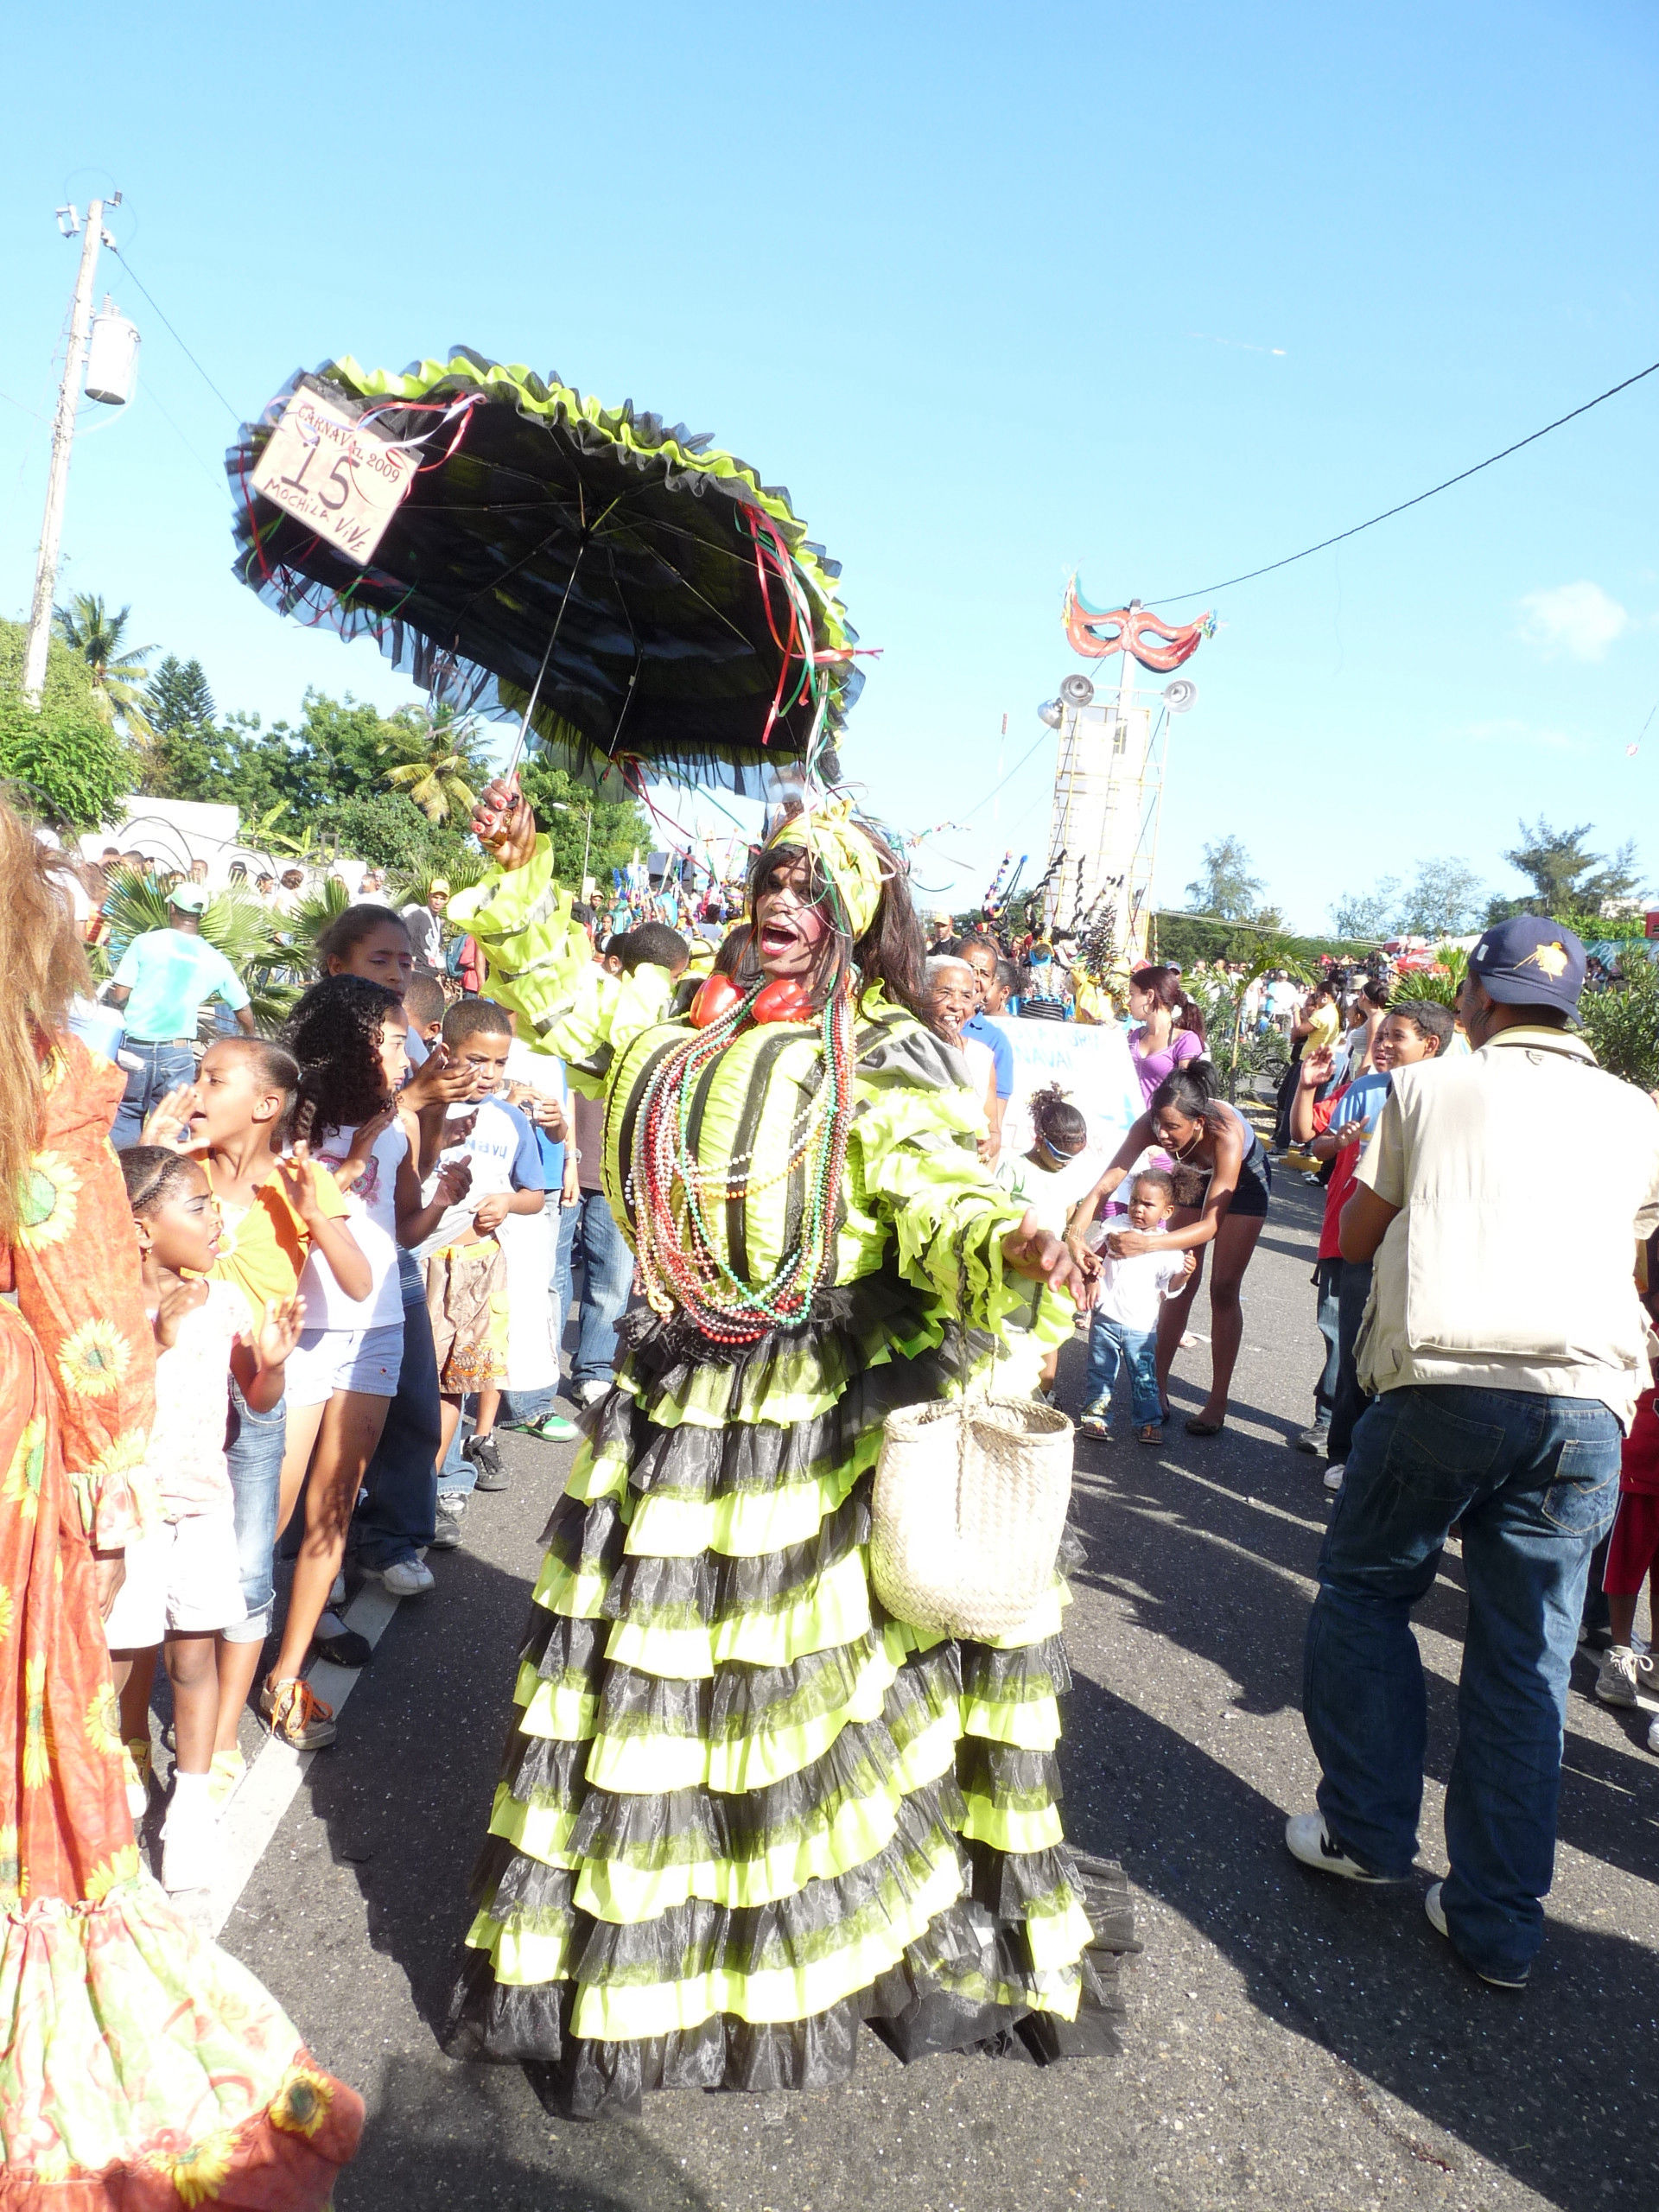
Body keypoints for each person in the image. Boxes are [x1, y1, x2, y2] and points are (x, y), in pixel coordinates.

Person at [440, 777, 1124, 2116]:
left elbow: (933, 1192)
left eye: (817, 892)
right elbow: (574, 1006)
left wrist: (1014, 1242)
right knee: (654, 1698)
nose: (785, 905)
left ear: (861, 922)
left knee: (792, 1701)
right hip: (674, 1407)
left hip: (806, 1428)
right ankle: (641, 1980)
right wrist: (518, 874)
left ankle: (799, 1945)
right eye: (773, 882)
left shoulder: (883, 1057)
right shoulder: (680, 1030)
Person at [0, 803, 362, 2206]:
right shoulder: (43, 1075)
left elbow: (94, 1320)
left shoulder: (46, 1081)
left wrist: (103, 1484)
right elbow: (85, 1315)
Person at [1288, 918, 1659, 1990]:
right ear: (1574, 1005)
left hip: (1444, 1380)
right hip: (1586, 1401)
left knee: (1365, 1592)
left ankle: (1365, 1836)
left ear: (1475, 1000)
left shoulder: (1429, 1087)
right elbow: (1632, 1250)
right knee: (1526, 1656)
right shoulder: (1636, 1110)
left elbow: (1357, 1236)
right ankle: (1496, 1920)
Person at [111, 1147, 304, 1891]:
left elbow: (253, 1397)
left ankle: (189, 1807)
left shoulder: (221, 1300)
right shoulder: (107, 1305)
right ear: (138, 1229)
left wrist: (275, 1364)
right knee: (116, 1659)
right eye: (196, 1206)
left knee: (194, 1659)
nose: (214, 1216)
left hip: (202, 1508)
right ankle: (115, 1772)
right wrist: (157, 1335)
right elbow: (104, 1398)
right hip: (126, 1514)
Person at [180, 1039, 372, 1764]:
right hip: (177, 1393)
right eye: (198, 1074)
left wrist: (310, 1214)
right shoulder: (177, 1172)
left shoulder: (304, 1179)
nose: (195, 1087)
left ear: (265, 1106)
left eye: (213, 1078)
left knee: (247, 1564)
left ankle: (223, 1737)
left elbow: (357, 1284)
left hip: (255, 1393)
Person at [266, 979, 422, 1737]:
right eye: (393, 1039)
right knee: (271, 1513)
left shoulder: (395, 1125)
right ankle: (206, 1657)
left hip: (378, 1327)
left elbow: (403, 1224)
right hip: (299, 1330)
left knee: (333, 1509)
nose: (406, 1051)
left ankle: (287, 1676)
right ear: (355, 1043)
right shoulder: (290, 1116)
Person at [1289, 1002, 1454, 1478]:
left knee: (1409, 1347)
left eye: (1396, 1037)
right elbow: (1312, 1143)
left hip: (1418, 1244)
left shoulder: (1448, 1098)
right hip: (1356, 1239)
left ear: (1431, 1046)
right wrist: (1336, 1143)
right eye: (1382, 1036)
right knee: (1349, 1344)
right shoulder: (1365, 1089)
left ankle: (1392, 1456)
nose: (1383, 1044)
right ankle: (1343, 1451)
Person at [1065, 1066, 1271, 1435]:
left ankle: (1218, 1400)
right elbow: (1103, 1187)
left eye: (1173, 1127)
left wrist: (1147, 1243)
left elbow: (1209, 1227)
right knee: (1179, 1285)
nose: (1162, 1134)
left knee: (1223, 1288)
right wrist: (1074, 1236)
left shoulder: (1225, 1135)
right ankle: (1156, 1386)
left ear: (1199, 1122)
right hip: (1193, 1174)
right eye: (1158, 1124)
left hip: (1242, 1184)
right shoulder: (1151, 1125)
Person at [408, 1000, 546, 1495]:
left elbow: (535, 1194)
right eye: (476, 1060)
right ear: (445, 1049)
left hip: (479, 1265)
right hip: (420, 1261)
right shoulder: (418, 1105)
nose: (488, 1074)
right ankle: (395, 1493)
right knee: (409, 1383)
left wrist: (507, 1203)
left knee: (455, 1384)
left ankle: (432, 1491)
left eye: (500, 1064)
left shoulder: (511, 1120)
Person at [105, 885, 255, 1145]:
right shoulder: (215, 958)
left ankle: (122, 1178)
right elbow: (242, 1008)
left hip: (134, 1048)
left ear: (172, 907)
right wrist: (250, 1038)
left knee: (126, 1115)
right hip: (177, 1054)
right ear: (202, 916)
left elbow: (119, 994)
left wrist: (115, 1001)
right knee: (174, 1123)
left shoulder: (145, 942)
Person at [995, 1085, 1102, 1396]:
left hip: (1053, 1279)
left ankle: (1045, 1399)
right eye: (1060, 1154)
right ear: (1039, 1138)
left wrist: (1083, 1253)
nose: (1066, 1162)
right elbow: (996, 1215)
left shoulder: (1068, 1177)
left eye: (1074, 1156)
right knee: (1009, 1337)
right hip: (1015, 1273)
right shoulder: (1014, 1170)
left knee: (1048, 1338)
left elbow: (1072, 1225)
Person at [1078, 1169, 1193, 1444]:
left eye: (1148, 1204)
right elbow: (1096, 1256)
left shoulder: (1168, 1249)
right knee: (1100, 1371)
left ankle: (1148, 1422)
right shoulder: (1114, 1226)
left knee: (1143, 1378)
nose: (1138, 1209)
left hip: (1141, 1326)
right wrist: (1092, 1274)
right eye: (1134, 1201)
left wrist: (1185, 1273)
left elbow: (1172, 1289)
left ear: (1166, 1212)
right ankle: (1095, 1418)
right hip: (1106, 1316)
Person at [926, 954, 998, 1154]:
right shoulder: (900, 1049)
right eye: (945, 993)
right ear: (920, 994)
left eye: (966, 996)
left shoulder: (982, 1057)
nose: (956, 1005)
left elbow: (993, 1132)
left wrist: (987, 1146)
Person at [959, 935, 1014, 1157]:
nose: (975, 978)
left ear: (992, 983)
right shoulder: (920, 1024)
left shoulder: (995, 1042)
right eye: (969, 968)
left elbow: (994, 1129)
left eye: (984, 973)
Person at [1124, 964, 1205, 1111]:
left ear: (1149, 996)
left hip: (1160, 1127)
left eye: (1132, 994)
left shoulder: (1185, 1041)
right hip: (1128, 1122)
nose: (1128, 1002)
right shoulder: (1135, 1036)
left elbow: (1188, 1096)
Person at [402, 877, 450, 967]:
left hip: (431, 970)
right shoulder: (416, 916)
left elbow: (436, 947)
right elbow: (404, 943)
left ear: (446, 901)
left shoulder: (438, 921)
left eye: (442, 899)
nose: (438, 902)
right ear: (428, 896)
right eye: (435, 897)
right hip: (417, 969)